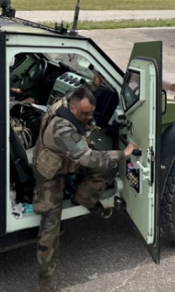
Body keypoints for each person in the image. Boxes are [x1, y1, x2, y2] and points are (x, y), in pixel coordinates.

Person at [32, 86, 137, 291]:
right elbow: (86, 158)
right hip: (49, 173)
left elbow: (83, 92)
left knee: (107, 165)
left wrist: (97, 84)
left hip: (66, 159)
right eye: (85, 114)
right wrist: (123, 154)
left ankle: (84, 198)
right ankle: (46, 283)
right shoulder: (63, 129)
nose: (89, 117)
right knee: (50, 227)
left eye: (91, 112)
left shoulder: (67, 101)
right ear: (72, 108)